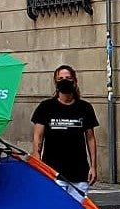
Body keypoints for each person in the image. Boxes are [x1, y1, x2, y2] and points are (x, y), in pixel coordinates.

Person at [30, 65, 99, 194]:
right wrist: (38, 164)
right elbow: (37, 138)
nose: (64, 81)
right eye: (60, 78)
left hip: (79, 174)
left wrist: (93, 167)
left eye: (68, 78)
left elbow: (90, 139)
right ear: (55, 82)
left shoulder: (85, 108)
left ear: (74, 81)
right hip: (53, 173)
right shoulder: (45, 107)